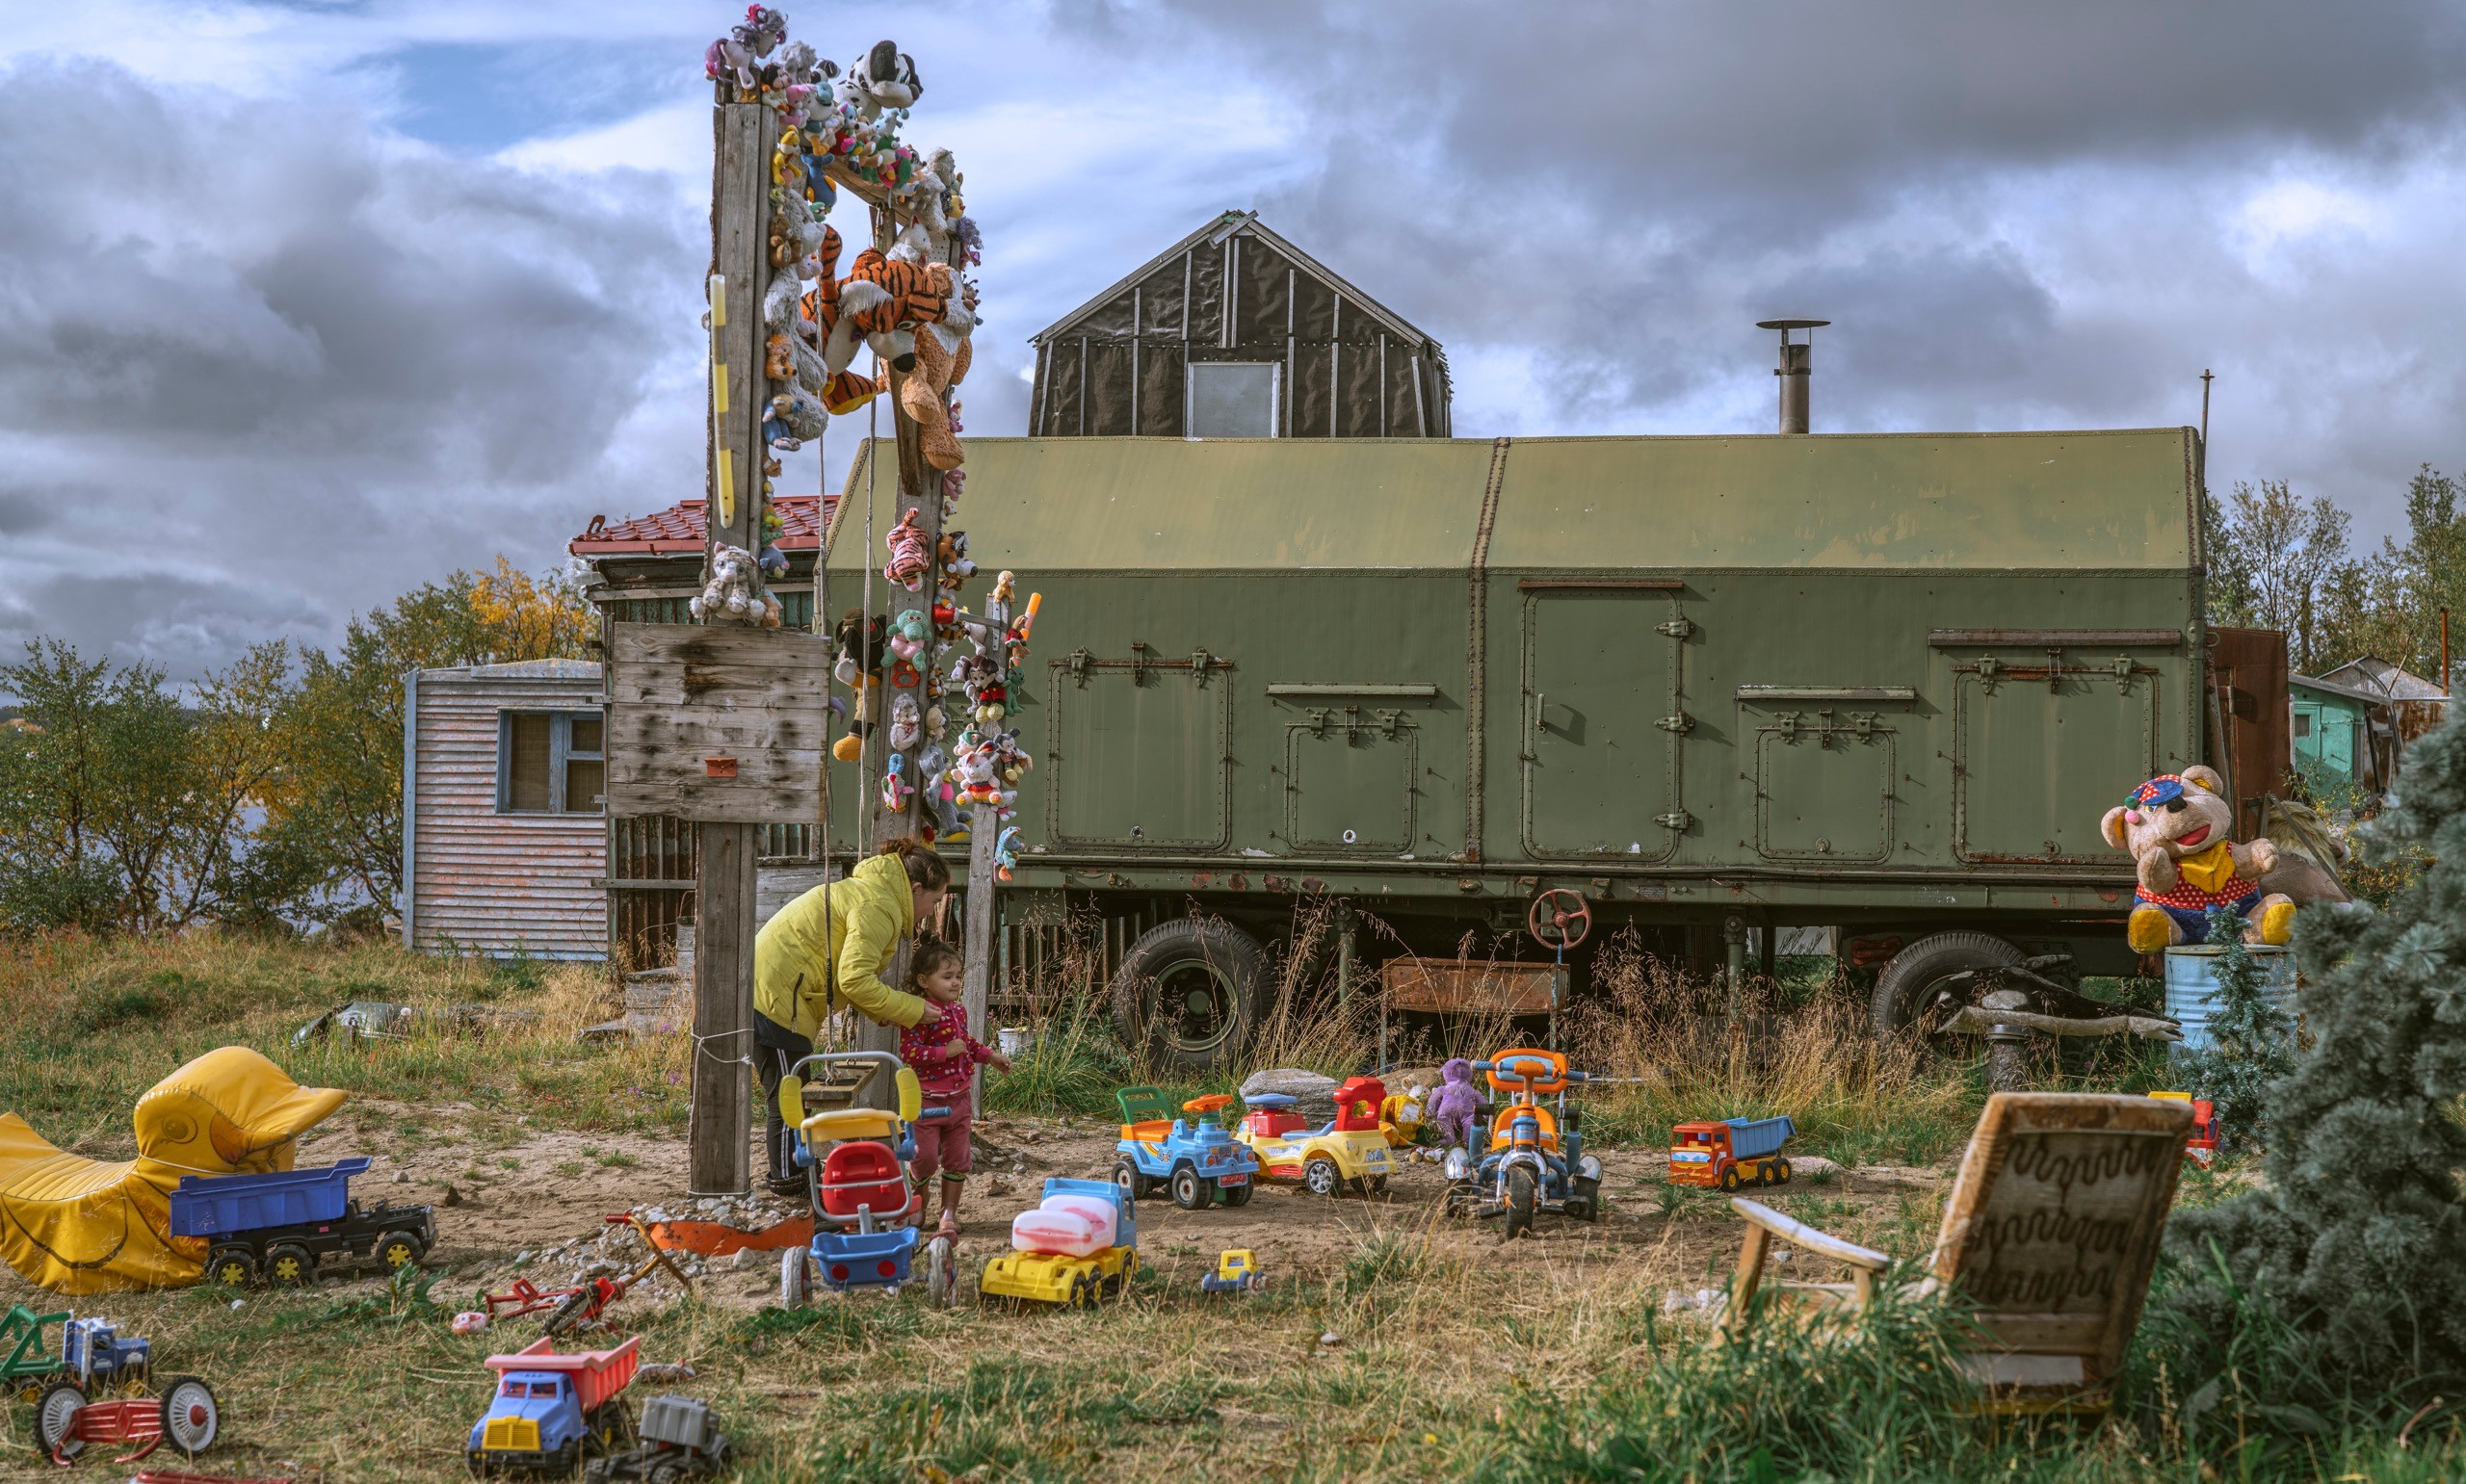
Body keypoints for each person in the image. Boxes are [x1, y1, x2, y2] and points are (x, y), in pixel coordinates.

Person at [751, 835, 950, 1195]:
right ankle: (787, 1181)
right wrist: (914, 1010)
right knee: (788, 1095)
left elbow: (849, 976)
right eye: (934, 902)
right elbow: (855, 979)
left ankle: (795, 1172)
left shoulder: (873, 893)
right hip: (773, 998)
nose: (932, 911)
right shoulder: (879, 905)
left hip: (780, 991)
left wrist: (885, 1013)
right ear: (916, 888)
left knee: (792, 1091)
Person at [896, 940, 1011, 1236]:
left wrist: (992, 1057)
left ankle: (949, 1211)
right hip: (927, 1101)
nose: (956, 982)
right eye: (947, 977)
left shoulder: (958, 1011)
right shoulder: (918, 1013)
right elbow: (909, 1053)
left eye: (958, 976)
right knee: (923, 1158)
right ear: (923, 981)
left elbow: (967, 1045)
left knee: (958, 1158)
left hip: (960, 1099)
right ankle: (919, 1203)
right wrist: (943, 1053)